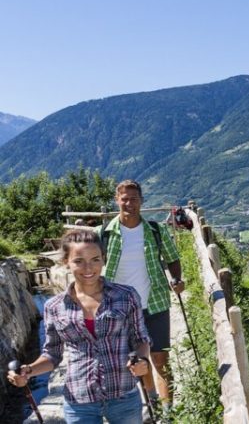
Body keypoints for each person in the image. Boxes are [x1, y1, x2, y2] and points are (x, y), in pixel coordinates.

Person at [7, 229, 152, 424]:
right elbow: (52, 354)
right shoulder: (54, 306)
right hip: (79, 400)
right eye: (78, 261)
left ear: (104, 259)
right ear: (66, 262)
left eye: (95, 259)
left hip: (123, 395)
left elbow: (141, 339)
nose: (88, 268)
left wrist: (142, 360)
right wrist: (28, 371)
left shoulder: (126, 296)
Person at [96, 180, 184, 407]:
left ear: (141, 201)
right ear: (117, 200)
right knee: (138, 359)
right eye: (124, 199)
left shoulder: (156, 230)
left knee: (160, 359)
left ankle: (168, 411)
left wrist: (176, 279)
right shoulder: (104, 234)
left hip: (155, 304)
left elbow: (172, 258)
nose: (129, 203)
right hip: (121, 310)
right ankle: (152, 402)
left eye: (134, 199)